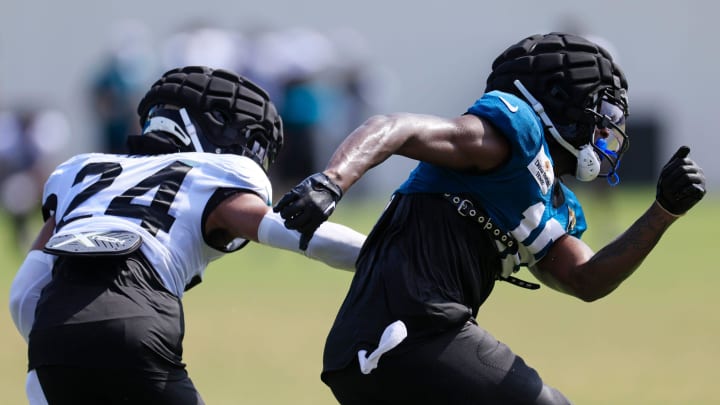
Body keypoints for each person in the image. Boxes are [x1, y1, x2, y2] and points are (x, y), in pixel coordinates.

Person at [273, 32, 707, 404]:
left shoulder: (553, 200)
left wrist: (663, 211)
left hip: (378, 350)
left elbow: (587, 279)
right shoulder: (507, 137)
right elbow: (395, 127)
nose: (607, 132)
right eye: (601, 115)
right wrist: (332, 181)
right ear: (559, 100)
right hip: (411, 332)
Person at [9, 65, 365, 405]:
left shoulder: (82, 172)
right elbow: (293, 231)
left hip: (52, 336)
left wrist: (60, 348)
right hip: (137, 320)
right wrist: (387, 253)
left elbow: (24, 294)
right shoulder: (211, 173)